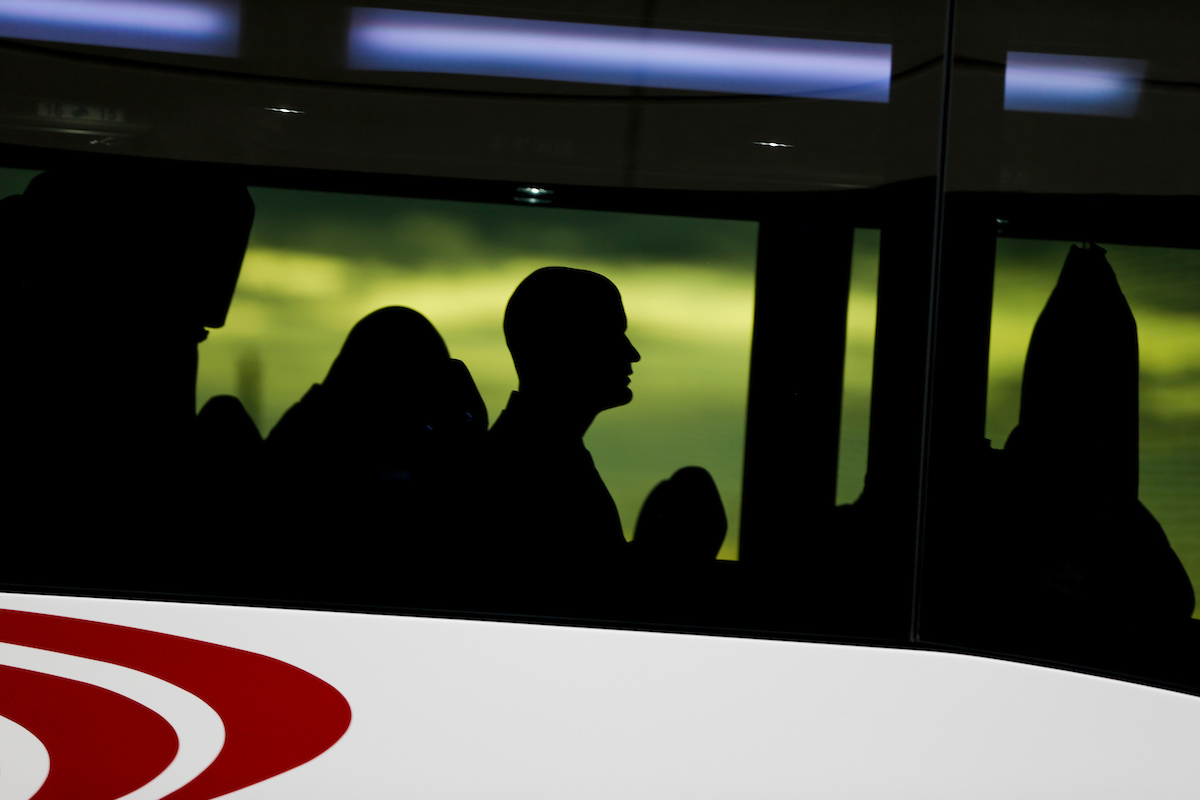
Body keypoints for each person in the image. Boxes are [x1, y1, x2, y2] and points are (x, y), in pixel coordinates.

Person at [484, 267, 725, 570]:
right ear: (562, 345)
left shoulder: (537, 455)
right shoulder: (532, 468)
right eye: (611, 334)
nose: (632, 353)